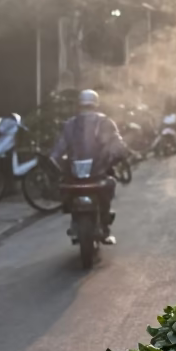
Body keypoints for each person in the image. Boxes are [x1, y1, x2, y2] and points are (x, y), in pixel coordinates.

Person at [50, 89, 128, 243]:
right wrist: (117, 154)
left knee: (104, 184)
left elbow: (59, 148)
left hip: (79, 171)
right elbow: (117, 143)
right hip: (95, 170)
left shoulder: (70, 124)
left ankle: (96, 221)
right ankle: (104, 224)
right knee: (109, 184)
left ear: (79, 105)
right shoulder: (104, 121)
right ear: (96, 104)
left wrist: (54, 160)